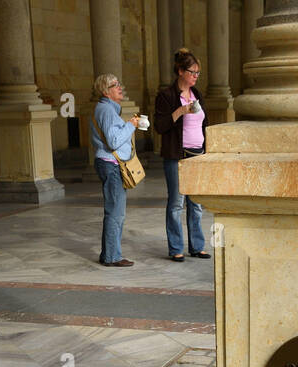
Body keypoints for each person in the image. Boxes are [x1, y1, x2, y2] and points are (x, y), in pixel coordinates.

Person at [153, 49, 211, 262]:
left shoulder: (198, 95)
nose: (196, 76)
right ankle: (176, 247)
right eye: (192, 71)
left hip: (198, 154)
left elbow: (204, 124)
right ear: (180, 71)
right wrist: (180, 111)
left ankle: (197, 246)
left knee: (195, 203)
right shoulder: (166, 96)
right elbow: (160, 126)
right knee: (177, 203)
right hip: (177, 155)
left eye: (198, 73)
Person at [90, 74, 141, 268]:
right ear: (105, 91)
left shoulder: (107, 110)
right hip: (111, 164)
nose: (120, 87)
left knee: (115, 211)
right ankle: (112, 257)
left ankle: (109, 254)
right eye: (114, 85)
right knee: (115, 213)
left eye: (119, 83)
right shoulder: (106, 110)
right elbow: (113, 141)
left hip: (110, 163)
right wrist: (131, 125)